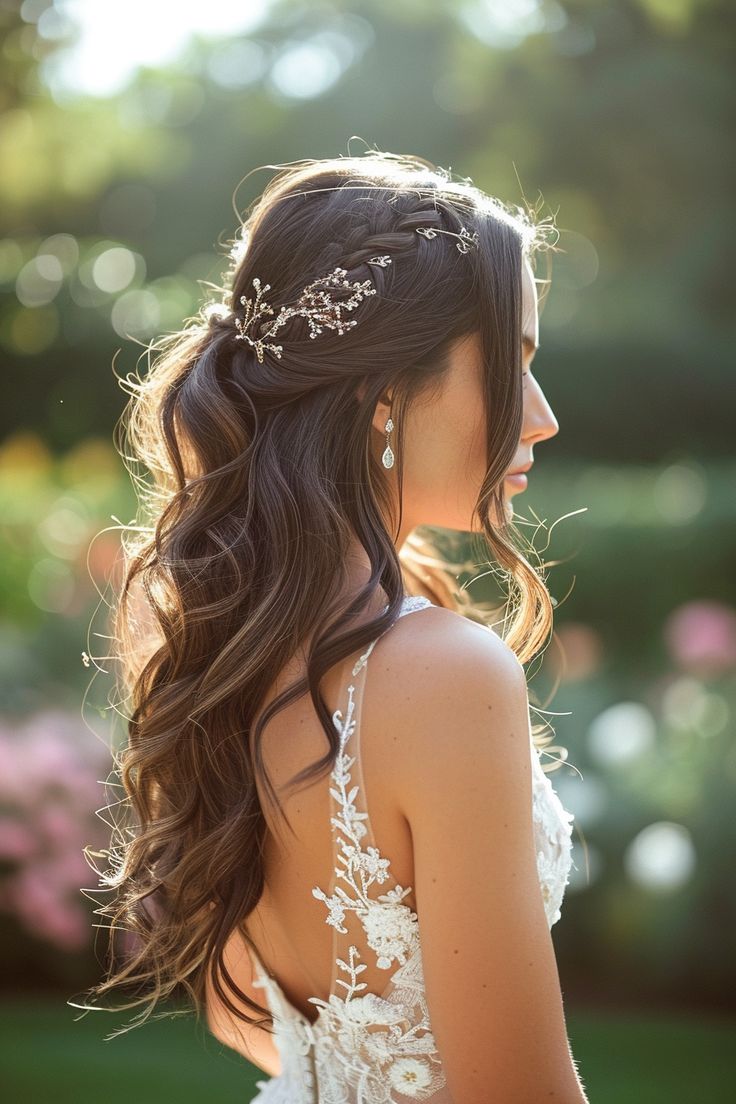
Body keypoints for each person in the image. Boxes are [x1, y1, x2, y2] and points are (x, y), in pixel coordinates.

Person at [78, 151, 589, 1102]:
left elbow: (252, 1013)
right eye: (512, 362)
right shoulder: (446, 673)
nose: (545, 416)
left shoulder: (219, 641)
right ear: (382, 389)